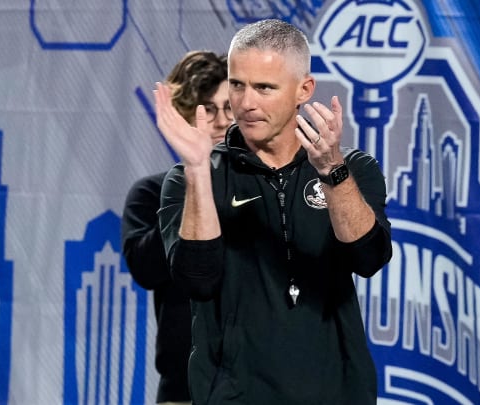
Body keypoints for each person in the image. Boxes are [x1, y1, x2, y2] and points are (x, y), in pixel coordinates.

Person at [155, 19, 392, 404]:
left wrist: (332, 172)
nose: (246, 103)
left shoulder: (352, 169)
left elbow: (368, 258)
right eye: (237, 84)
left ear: (304, 89)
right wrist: (199, 172)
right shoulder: (190, 178)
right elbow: (196, 281)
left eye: (264, 87)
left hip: (335, 394)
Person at [121, 50, 230, 405]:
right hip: (183, 388)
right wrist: (195, 176)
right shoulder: (151, 193)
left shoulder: (266, 192)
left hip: (261, 385)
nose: (218, 121)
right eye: (206, 109)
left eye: (228, 108)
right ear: (183, 115)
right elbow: (146, 269)